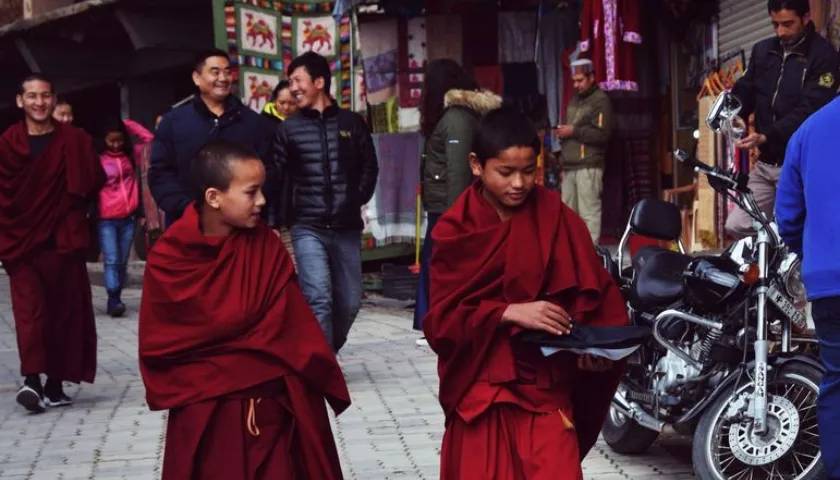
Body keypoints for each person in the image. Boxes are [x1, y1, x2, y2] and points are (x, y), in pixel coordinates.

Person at [424, 107, 628, 479]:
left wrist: (593, 351)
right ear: (476, 165)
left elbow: (595, 299)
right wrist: (507, 312)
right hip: (481, 389)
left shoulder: (558, 218)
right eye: (505, 172)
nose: (518, 183)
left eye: (528, 171)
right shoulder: (455, 231)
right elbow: (441, 324)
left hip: (544, 387)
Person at [139, 140, 350, 479]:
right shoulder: (169, 259)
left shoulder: (266, 246)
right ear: (213, 197)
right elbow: (161, 346)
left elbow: (292, 329)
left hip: (272, 407)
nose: (262, 202)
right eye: (251, 193)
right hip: (206, 413)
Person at [0, 74, 103, 413]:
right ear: (20, 101)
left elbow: (92, 181)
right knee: (30, 314)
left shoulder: (74, 140)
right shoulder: (8, 144)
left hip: (62, 241)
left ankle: (55, 384)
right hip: (22, 243)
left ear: (54, 100)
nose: (39, 102)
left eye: (45, 96)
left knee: (63, 314)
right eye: (32, 96)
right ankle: (31, 379)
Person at [271, 52, 378, 352]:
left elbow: (370, 166)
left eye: (297, 80)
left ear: (319, 82)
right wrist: (275, 221)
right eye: (290, 81)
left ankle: (326, 351)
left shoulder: (352, 123)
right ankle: (322, 366)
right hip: (307, 225)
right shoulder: (288, 129)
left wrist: (355, 198)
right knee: (318, 296)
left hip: (346, 227)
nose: (292, 88)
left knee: (350, 301)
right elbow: (276, 176)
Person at [726, 0, 839, 238]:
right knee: (737, 225)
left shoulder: (824, 56)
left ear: (806, 17)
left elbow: (812, 110)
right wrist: (735, 114)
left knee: (791, 232)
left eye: (788, 24)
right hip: (766, 164)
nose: (781, 32)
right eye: (775, 25)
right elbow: (745, 89)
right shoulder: (762, 50)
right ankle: (763, 272)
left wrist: (768, 134)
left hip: (800, 166)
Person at [413, 58, 502, 346]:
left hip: (447, 208)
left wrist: (456, 217)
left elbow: (458, 171)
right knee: (433, 264)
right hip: (440, 205)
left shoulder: (456, 118)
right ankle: (431, 323)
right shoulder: (456, 116)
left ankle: (437, 323)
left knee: (440, 265)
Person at [776, 97, 840, 480]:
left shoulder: (809, 130)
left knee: (837, 381)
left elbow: (788, 217)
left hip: (829, 282)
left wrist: (817, 254)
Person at [150, 48, 275, 226]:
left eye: (227, 72)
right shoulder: (173, 122)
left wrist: (247, 204)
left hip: (241, 225)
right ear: (197, 78)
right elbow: (160, 172)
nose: (223, 79)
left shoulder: (253, 123)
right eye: (215, 72)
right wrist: (186, 209)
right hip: (187, 223)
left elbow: (268, 170)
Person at [555, 58, 614, 244]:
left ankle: (590, 256)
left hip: (588, 165)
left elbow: (602, 135)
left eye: (580, 80)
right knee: (567, 214)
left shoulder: (600, 101)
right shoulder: (574, 99)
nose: (576, 85)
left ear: (591, 77)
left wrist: (573, 131)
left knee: (589, 213)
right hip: (570, 166)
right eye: (574, 81)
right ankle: (571, 255)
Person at [96, 119, 143, 317]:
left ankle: (115, 297)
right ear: (104, 140)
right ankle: (114, 298)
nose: (116, 145)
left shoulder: (131, 157)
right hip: (106, 218)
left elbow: (149, 140)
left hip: (128, 217)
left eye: (119, 140)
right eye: (111, 141)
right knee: (112, 260)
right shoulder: (97, 159)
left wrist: (126, 123)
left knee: (122, 261)